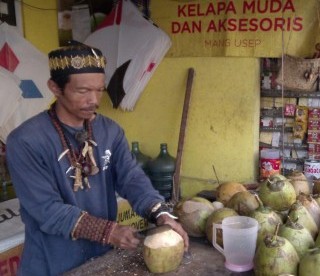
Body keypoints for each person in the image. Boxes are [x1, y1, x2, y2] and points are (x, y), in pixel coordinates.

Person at [5, 42, 189, 275]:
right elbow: (47, 210)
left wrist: (161, 213)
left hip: (101, 259)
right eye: (83, 91)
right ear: (55, 88)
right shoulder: (26, 141)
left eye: (99, 90)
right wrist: (109, 232)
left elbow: (131, 177)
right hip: (52, 263)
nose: (94, 100)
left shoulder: (109, 131)